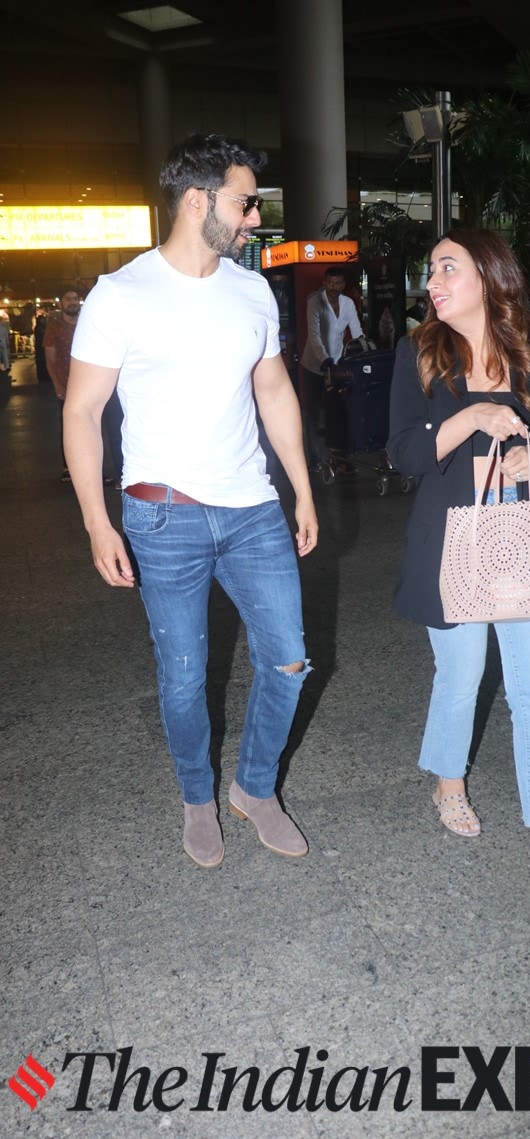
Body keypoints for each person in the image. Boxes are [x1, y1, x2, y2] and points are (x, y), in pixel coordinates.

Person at [63, 132, 318, 869]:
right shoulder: (122, 294)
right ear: (197, 199)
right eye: (243, 204)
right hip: (162, 511)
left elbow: (273, 389)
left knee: (290, 660)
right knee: (182, 673)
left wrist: (300, 488)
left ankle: (255, 787)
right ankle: (196, 798)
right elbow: (81, 412)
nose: (252, 220)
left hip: (251, 510)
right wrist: (94, 522)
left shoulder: (250, 289)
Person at [387, 228, 530, 894]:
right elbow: (403, 454)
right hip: (450, 541)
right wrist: (475, 413)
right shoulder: (418, 353)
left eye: (446, 267)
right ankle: (448, 785)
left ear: (488, 275)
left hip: (526, 541)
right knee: (463, 673)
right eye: (429, 270)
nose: (432, 281)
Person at [300, 266, 363, 474]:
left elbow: (356, 332)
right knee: (312, 413)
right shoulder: (315, 302)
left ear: (343, 285)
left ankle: (340, 459)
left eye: (338, 283)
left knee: (338, 412)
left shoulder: (348, 304)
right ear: (324, 283)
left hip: (336, 364)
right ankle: (315, 460)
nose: (334, 287)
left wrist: (362, 348)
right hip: (314, 364)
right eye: (330, 283)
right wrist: (324, 360)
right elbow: (314, 335)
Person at [44, 287, 82, 480]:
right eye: (68, 299)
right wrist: (57, 384)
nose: (72, 302)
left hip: (86, 384)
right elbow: (49, 359)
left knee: (90, 425)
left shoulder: (86, 324)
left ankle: (89, 467)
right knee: (68, 425)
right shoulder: (54, 327)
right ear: (61, 303)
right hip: (66, 385)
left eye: (75, 299)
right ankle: (68, 466)